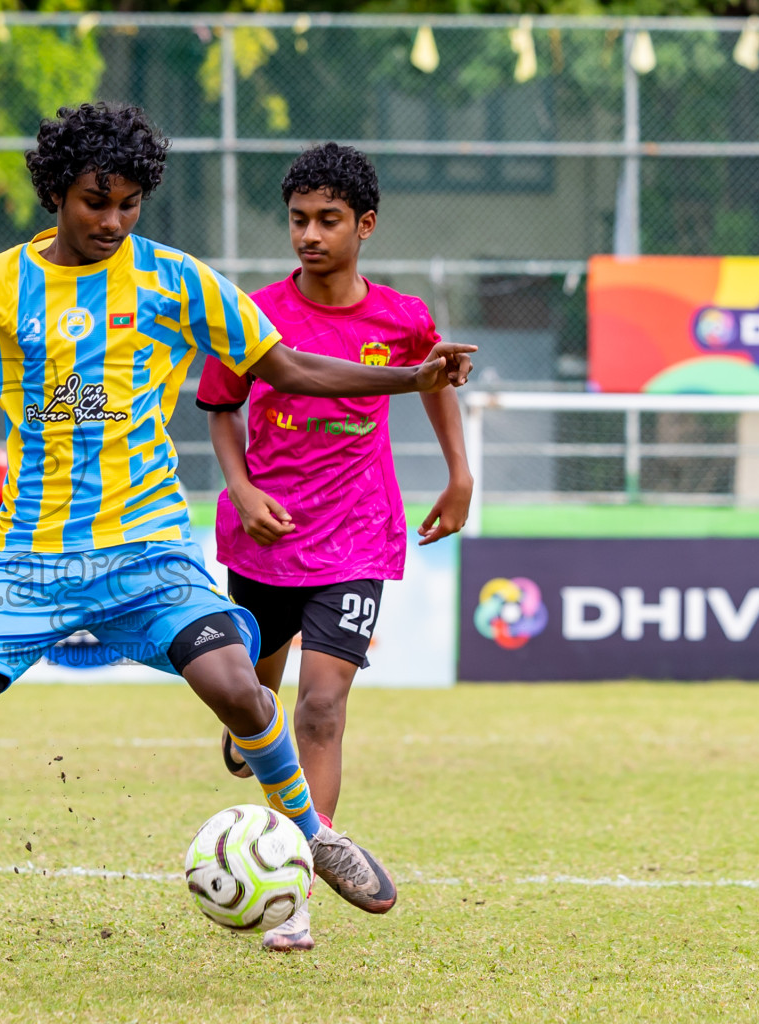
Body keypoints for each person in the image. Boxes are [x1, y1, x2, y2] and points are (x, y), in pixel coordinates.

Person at [0, 105, 473, 985]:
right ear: (56, 194)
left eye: (130, 205)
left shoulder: (175, 280)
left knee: (239, 686)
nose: (112, 222)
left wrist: (407, 377)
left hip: (148, 553)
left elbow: (287, 367)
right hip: (29, 559)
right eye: (94, 202)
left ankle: (312, 836)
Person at [199, 143, 473, 953]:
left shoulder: (400, 318)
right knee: (256, 693)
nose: (310, 235)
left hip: (356, 534)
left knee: (321, 707)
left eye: (328, 220)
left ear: (366, 225)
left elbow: (434, 384)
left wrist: (459, 475)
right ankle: (252, 724)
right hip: (268, 537)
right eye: (298, 220)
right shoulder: (255, 315)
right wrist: (244, 491)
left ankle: (300, 890)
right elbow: (219, 405)